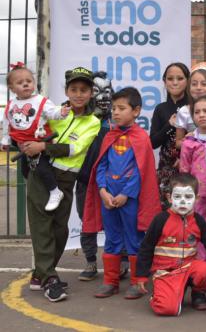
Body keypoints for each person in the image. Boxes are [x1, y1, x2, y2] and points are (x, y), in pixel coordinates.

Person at [22, 67, 100, 302]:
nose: (78, 94)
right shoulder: (52, 112)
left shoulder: (93, 121)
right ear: (66, 90)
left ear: (90, 93)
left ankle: (40, 274)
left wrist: (43, 147)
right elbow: (31, 131)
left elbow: (76, 149)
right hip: (42, 174)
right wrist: (30, 144)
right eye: (73, 89)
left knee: (60, 229)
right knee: (42, 226)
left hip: (66, 179)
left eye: (83, 90)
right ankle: (49, 279)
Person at [82, 87, 160, 299]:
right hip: (109, 198)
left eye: (121, 108)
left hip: (130, 199)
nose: (115, 112)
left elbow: (140, 171)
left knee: (134, 239)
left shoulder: (142, 137)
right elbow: (101, 166)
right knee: (112, 239)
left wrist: (126, 194)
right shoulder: (110, 135)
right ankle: (110, 281)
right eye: (114, 108)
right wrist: (102, 191)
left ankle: (137, 282)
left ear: (136, 111)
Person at [134, 173, 206, 315]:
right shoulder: (160, 220)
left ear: (196, 198)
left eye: (188, 197)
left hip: (189, 267)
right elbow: (146, 248)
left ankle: (198, 293)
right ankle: (160, 295)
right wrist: (142, 275)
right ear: (169, 198)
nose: (182, 202)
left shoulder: (198, 220)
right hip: (166, 272)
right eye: (177, 197)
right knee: (168, 309)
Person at [74, 71, 127, 281]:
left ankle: (122, 261)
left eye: (108, 91)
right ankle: (90, 261)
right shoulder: (80, 120)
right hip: (86, 181)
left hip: (113, 182)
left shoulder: (118, 123)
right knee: (87, 221)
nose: (104, 97)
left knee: (118, 220)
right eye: (97, 91)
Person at [2, 62, 70, 211]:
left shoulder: (41, 101)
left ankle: (54, 191)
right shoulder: (10, 104)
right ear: (12, 88)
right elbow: (7, 122)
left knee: (41, 166)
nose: (25, 84)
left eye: (28, 81)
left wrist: (61, 112)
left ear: (33, 83)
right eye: (20, 83)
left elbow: (52, 112)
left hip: (39, 140)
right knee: (25, 171)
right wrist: (5, 139)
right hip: (21, 143)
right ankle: (36, 186)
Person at [179, 95, 206, 262]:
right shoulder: (189, 142)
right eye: (197, 112)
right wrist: (187, 193)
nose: (201, 115)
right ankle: (200, 265)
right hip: (196, 195)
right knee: (197, 228)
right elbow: (184, 170)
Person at [150, 62, 189, 202]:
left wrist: (184, 157)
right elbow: (152, 142)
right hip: (167, 169)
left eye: (180, 78)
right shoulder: (161, 109)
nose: (175, 83)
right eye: (170, 79)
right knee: (167, 211)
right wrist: (169, 125)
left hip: (191, 166)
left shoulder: (195, 106)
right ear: (164, 81)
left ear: (187, 81)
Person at [174, 67, 206, 149]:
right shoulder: (184, 111)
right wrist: (189, 140)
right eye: (194, 84)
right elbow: (178, 143)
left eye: (204, 84)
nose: (198, 88)